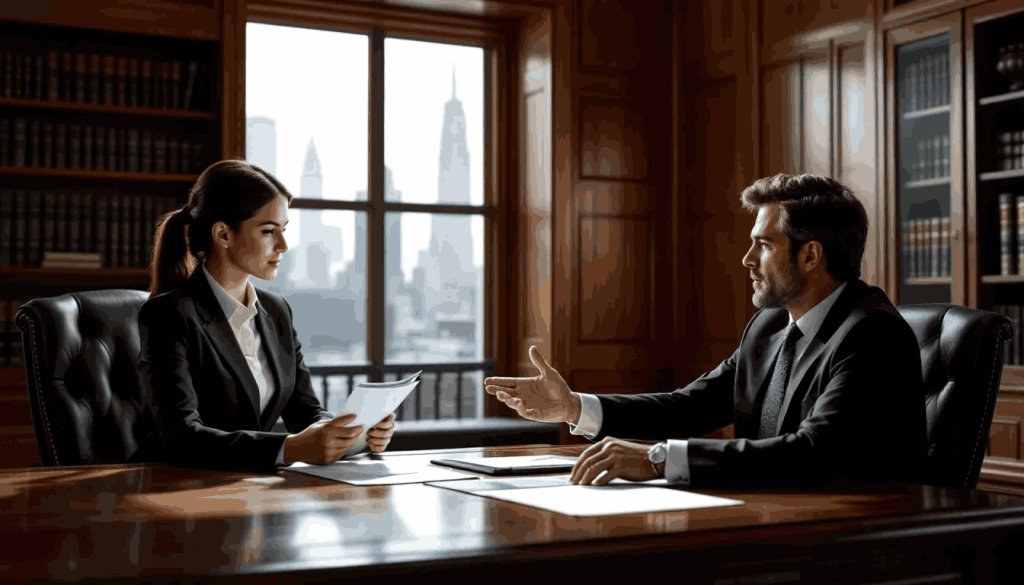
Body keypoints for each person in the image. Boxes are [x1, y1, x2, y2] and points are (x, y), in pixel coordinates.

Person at [485, 173, 927, 488]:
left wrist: (659, 459)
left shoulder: (872, 336)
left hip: (851, 539)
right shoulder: (771, 326)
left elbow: (813, 453)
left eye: (765, 244)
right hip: (768, 515)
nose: (747, 259)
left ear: (810, 256)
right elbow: (689, 407)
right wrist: (574, 408)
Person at [138, 159, 396, 472]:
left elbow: (307, 412)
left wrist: (349, 435)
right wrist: (289, 447)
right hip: (174, 489)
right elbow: (182, 438)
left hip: (251, 489)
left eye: (284, 230)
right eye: (269, 231)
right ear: (223, 234)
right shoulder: (169, 315)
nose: (284, 245)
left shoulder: (276, 312)